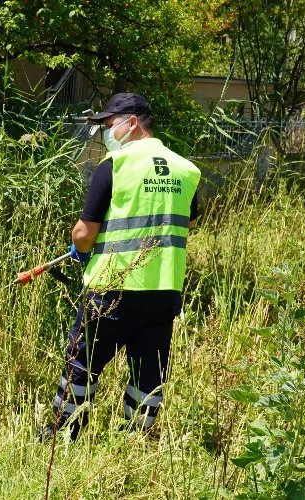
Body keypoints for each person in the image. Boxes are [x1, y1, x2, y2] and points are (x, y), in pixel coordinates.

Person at [41, 93, 201, 441]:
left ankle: (60, 437)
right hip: (162, 291)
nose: (106, 133)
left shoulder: (114, 166)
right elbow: (184, 223)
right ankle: (136, 440)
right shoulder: (187, 170)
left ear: (131, 122)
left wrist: (80, 249)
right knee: (148, 373)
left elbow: (84, 233)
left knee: (82, 365)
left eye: (109, 124)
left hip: (110, 290)